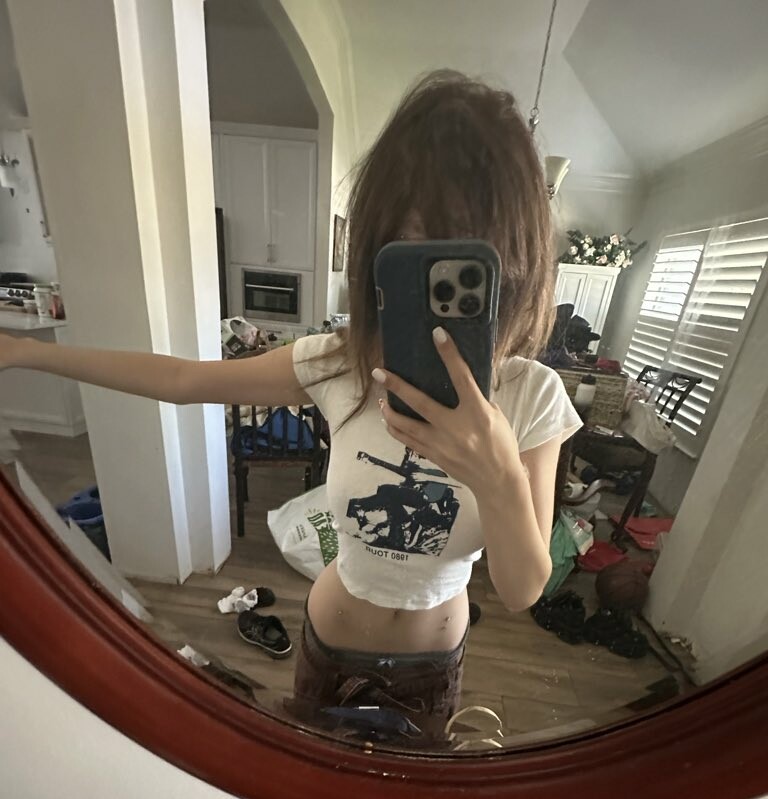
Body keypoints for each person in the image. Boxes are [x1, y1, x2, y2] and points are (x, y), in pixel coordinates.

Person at [0, 70, 582, 729]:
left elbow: (521, 590)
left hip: (432, 671)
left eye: (461, 253)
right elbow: (183, 381)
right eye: (412, 247)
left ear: (513, 261)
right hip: (327, 648)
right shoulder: (342, 363)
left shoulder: (532, 395)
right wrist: (24, 352)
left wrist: (500, 476)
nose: (432, 280)